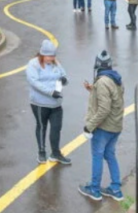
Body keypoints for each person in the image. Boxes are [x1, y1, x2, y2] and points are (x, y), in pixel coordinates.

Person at [79, 52, 125, 201]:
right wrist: (93, 89)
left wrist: (89, 126)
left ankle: (94, 189)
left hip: (103, 128)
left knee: (97, 156)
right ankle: (115, 188)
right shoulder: (116, 79)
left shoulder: (102, 82)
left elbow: (104, 109)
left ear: (97, 65)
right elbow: (113, 98)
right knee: (110, 155)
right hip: (116, 126)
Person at [26, 40, 72, 165]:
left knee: (56, 128)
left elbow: (65, 76)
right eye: (49, 56)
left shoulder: (55, 63)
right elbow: (34, 82)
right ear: (42, 54)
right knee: (42, 127)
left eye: (53, 56)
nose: (52, 58)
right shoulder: (33, 64)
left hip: (56, 103)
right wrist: (50, 92)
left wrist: (64, 80)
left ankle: (56, 153)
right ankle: (41, 151)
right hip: (40, 103)